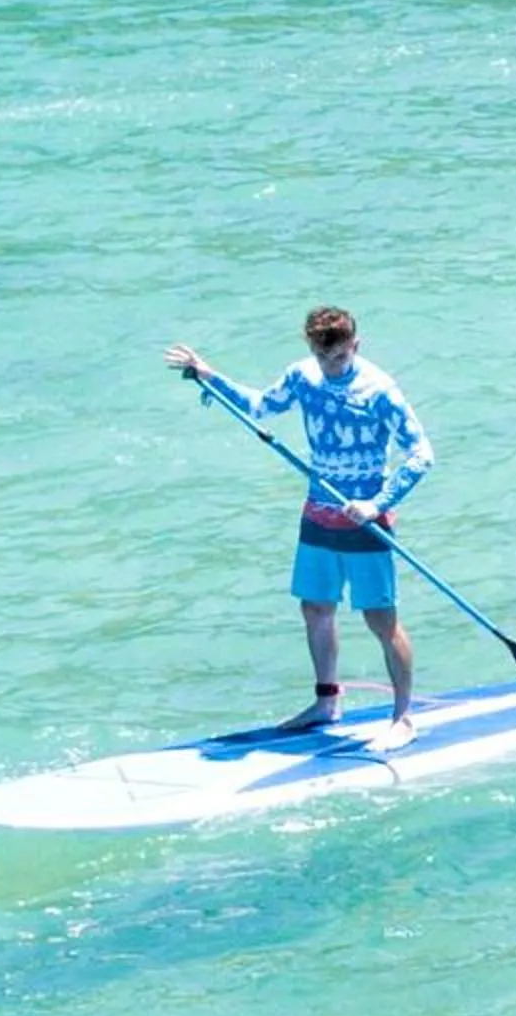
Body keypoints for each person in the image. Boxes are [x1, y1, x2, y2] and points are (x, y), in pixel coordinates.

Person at [163, 307, 434, 746]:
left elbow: (421, 454)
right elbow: (259, 406)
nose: (332, 367)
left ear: (356, 346)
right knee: (315, 609)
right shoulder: (302, 377)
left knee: (381, 620)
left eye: (341, 358)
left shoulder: (380, 391)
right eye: (325, 358)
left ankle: (403, 716)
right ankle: (327, 702)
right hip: (318, 513)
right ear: (311, 348)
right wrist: (209, 376)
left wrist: (377, 503)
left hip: (366, 521)